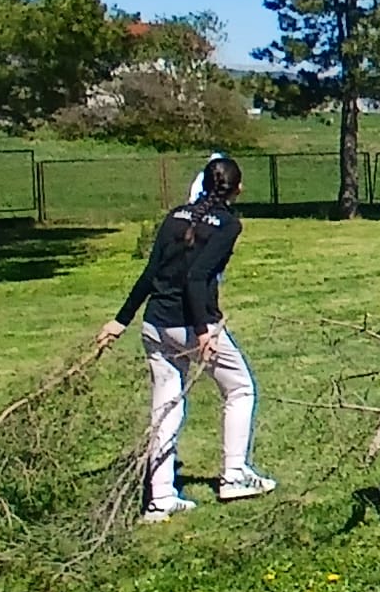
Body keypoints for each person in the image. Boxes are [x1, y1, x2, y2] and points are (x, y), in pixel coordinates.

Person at [98, 155, 273, 522]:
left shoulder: (175, 215)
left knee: (165, 406)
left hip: (154, 324)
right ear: (238, 189)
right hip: (189, 326)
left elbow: (150, 272)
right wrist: (204, 330)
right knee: (240, 388)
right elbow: (197, 278)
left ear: (203, 184)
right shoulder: (228, 225)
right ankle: (234, 475)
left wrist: (120, 321)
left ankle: (160, 497)